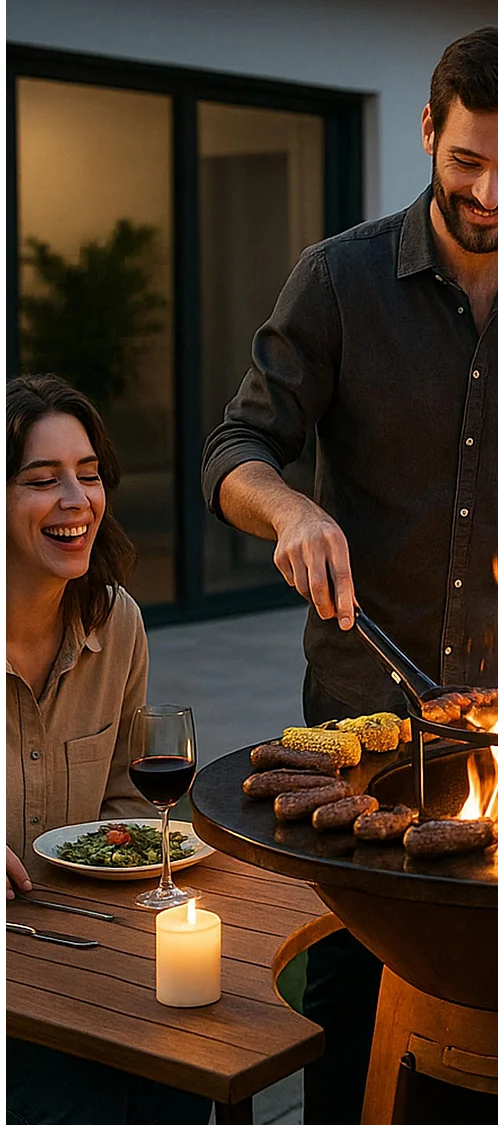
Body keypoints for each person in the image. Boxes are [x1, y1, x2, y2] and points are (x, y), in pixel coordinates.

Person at [199, 27, 498, 1125]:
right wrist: (290, 508)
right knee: (354, 988)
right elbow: (234, 453)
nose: (491, 192)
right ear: (429, 133)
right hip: (363, 714)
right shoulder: (338, 281)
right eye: (469, 162)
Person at [5, 374, 209, 1125]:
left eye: (89, 475)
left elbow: (128, 803)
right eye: (40, 479)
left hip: (85, 954)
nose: (76, 499)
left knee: (186, 1079)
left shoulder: (115, 621)